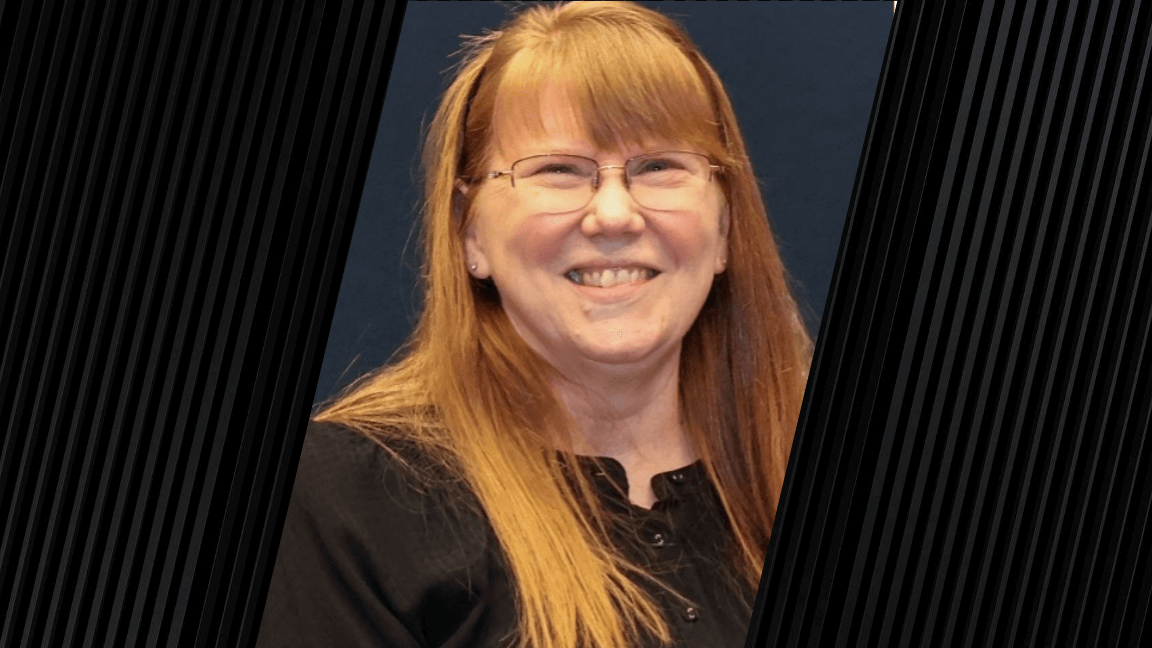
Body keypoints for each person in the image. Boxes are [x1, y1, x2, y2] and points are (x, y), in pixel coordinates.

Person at [257, 2, 812, 647]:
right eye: (558, 171)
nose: (614, 214)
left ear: (724, 228)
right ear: (470, 233)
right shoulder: (344, 500)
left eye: (659, 167)